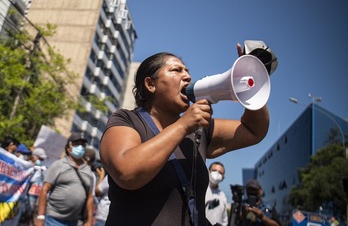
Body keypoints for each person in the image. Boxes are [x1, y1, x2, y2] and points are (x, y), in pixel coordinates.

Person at [100, 44, 271, 225]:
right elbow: (126, 173)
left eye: (187, 71)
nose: (188, 77)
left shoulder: (199, 131)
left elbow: (254, 130)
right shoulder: (127, 120)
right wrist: (183, 126)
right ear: (150, 84)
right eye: (176, 70)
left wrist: (250, 81)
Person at [36, 132, 94, 226]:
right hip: (54, 220)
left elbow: (90, 197)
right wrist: (40, 216)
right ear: (68, 147)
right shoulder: (58, 165)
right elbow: (44, 190)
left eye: (82, 144)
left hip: (75, 222)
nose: (80, 147)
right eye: (76, 144)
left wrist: (89, 220)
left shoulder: (88, 170)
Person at [205, 162, 228, 226]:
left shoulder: (222, 195)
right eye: (214, 170)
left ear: (223, 177)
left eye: (220, 173)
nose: (217, 173)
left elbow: (225, 219)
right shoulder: (201, 190)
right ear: (208, 171)